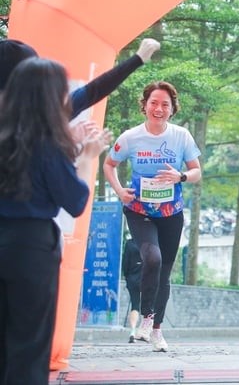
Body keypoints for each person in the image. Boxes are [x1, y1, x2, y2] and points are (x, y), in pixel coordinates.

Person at [0, 58, 110, 385]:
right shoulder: (46, 145)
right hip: (32, 248)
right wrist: (88, 157)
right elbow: (74, 201)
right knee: (29, 343)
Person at [103, 81, 202, 352]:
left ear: (172, 109)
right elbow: (109, 164)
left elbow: (196, 171)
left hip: (171, 213)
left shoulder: (181, 136)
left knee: (165, 273)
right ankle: (146, 318)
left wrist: (180, 176)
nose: (159, 109)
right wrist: (119, 190)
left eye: (165, 105)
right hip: (139, 210)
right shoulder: (130, 137)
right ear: (145, 105)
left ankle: (156, 330)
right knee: (152, 258)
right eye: (154, 103)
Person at [0, 38, 160, 119]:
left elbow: (92, 90)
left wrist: (137, 59)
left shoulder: (45, 113)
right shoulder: (44, 117)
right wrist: (137, 59)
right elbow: (93, 91)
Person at [122, 236, 143, 343]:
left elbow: (125, 263)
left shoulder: (130, 244)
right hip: (147, 278)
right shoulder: (149, 242)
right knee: (149, 305)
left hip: (132, 279)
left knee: (135, 305)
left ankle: (133, 331)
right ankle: (145, 331)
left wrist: (127, 277)